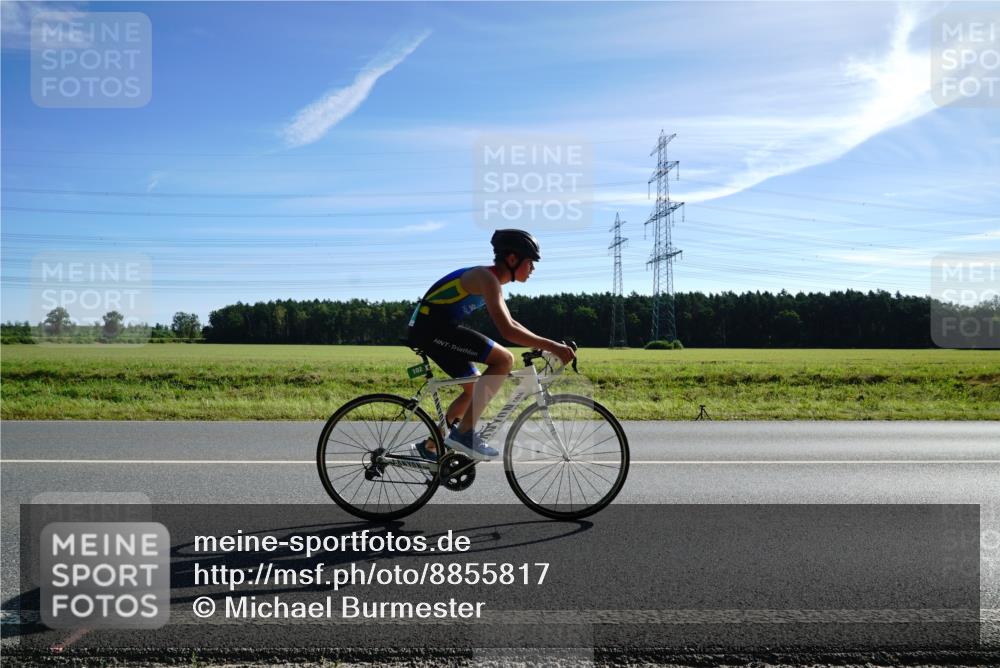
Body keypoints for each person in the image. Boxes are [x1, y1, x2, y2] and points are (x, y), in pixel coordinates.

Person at [405, 229, 576, 461]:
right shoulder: (486, 278)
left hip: (434, 328)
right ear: (513, 259)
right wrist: (553, 346)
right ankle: (463, 433)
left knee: (474, 388)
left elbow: (512, 323)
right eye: (531, 262)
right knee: (504, 359)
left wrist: (545, 343)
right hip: (432, 329)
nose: (533, 268)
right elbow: (507, 331)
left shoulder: (492, 281)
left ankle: (431, 446)